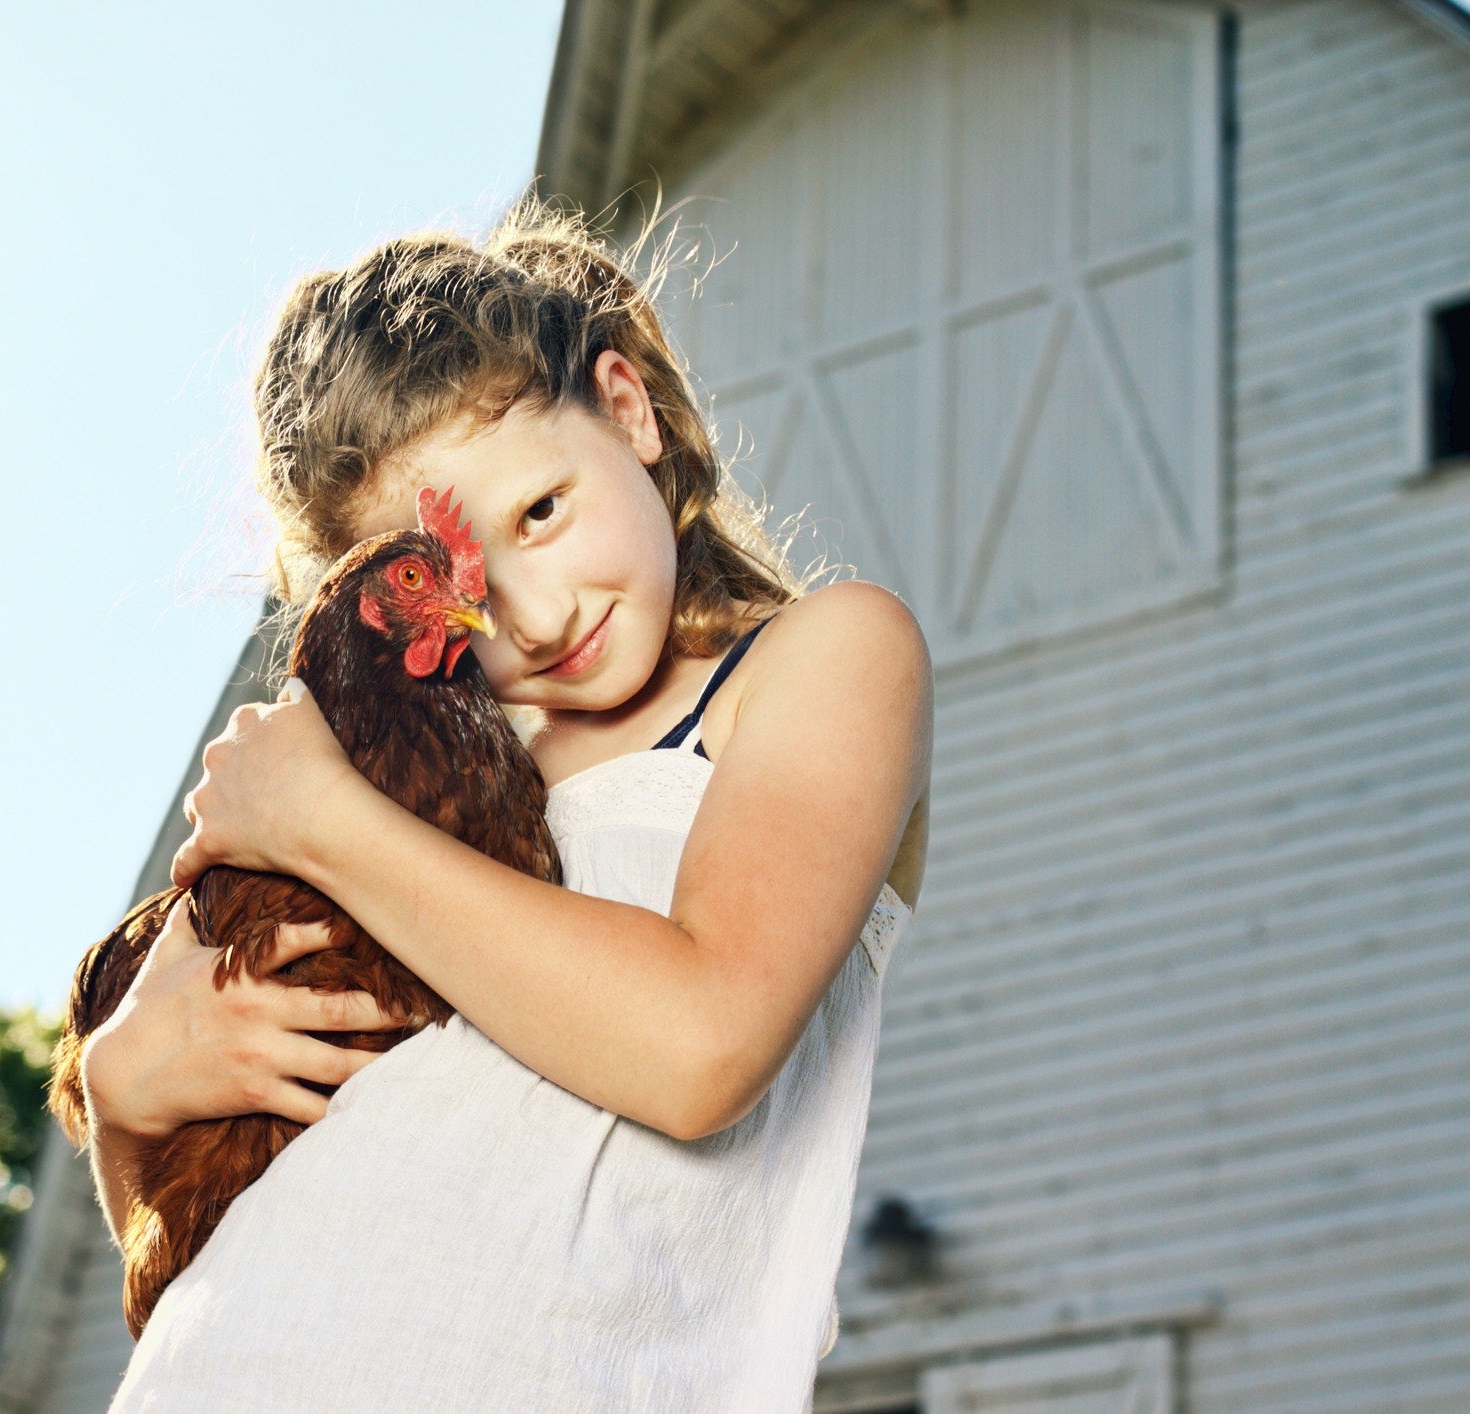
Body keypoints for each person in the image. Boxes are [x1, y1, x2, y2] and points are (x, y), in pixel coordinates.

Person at [77, 203, 933, 1411]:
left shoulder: (825, 660)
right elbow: (203, 1258)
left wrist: (321, 821)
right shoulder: (404, 789)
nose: (532, 616)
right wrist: (123, 1100)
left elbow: (701, 1045)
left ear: (626, 409)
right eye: (454, 585)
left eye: (540, 512)